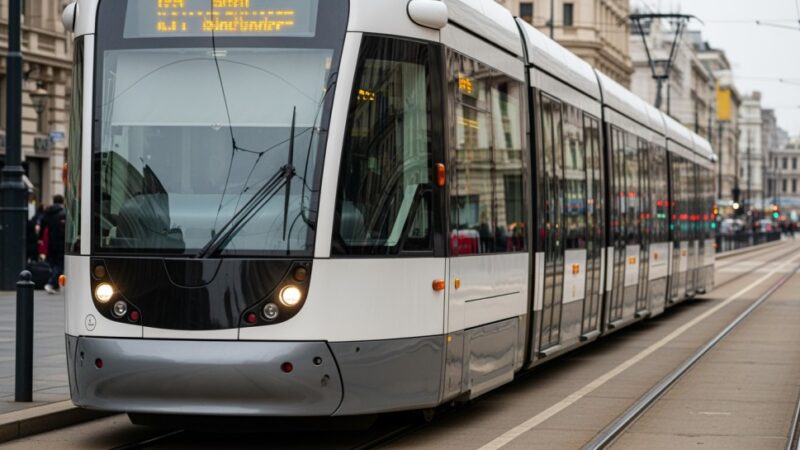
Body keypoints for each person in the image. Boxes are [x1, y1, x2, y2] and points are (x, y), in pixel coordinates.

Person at [41, 195, 66, 294]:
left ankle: (55, 285)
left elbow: (42, 227)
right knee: (60, 265)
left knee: (53, 263)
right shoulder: (63, 213)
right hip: (60, 242)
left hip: (50, 242)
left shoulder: (48, 212)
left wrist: (40, 239)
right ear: (62, 201)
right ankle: (51, 283)